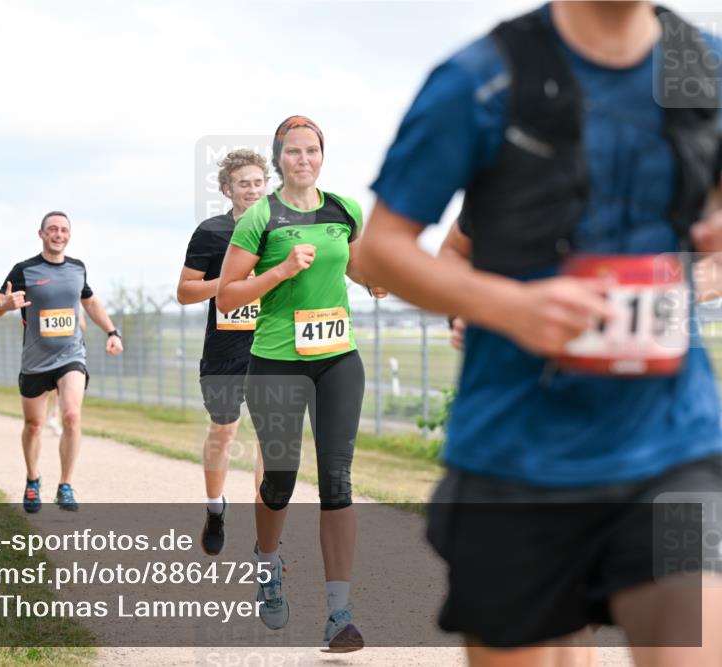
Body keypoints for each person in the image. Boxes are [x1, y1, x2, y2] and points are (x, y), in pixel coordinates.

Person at [359, 3, 722, 665]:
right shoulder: (481, 79)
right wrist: (506, 306)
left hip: (670, 444)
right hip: (516, 458)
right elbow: (381, 249)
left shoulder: (706, 67)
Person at [217, 116, 385, 651]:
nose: (304, 159)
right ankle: (268, 563)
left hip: (338, 357)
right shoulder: (260, 218)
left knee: (337, 478)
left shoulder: (344, 210)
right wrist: (280, 272)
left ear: (322, 155)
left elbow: (352, 265)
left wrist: (374, 279)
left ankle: (340, 614)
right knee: (281, 479)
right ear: (278, 158)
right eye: (293, 152)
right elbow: (227, 295)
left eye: (312, 150)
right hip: (276, 361)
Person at [0, 211, 123, 513]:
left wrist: (112, 331)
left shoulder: (77, 269)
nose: (58, 234)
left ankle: (65, 485)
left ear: (69, 236)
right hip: (35, 360)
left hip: (71, 355)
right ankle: (33, 480)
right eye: (52, 229)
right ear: (41, 234)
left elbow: (89, 301)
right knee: (34, 425)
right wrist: (5, 305)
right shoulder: (24, 270)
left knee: (72, 415)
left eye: (63, 230)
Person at [178, 148, 269, 555]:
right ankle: (215, 508)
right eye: (242, 183)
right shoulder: (211, 232)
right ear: (227, 189)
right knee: (225, 429)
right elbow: (185, 292)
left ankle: (268, 531)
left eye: (257, 182)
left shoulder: (280, 230)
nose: (251, 189)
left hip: (272, 344)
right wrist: (231, 284)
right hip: (224, 350)